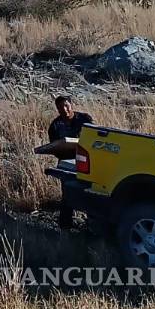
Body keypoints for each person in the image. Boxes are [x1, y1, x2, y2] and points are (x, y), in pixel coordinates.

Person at [47, 96, 94, 228]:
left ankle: (91, 225)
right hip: (66, 161)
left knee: (90, 193)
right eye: (60, 107)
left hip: (86, 160)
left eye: (66, 106)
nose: (64, 109)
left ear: (71, 105)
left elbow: (94, 137)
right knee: (68, 194)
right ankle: (65, 227)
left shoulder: (84, 119)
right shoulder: (55, 125)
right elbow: (54, 147)